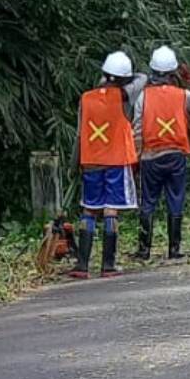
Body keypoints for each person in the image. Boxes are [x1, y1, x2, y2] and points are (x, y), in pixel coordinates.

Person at [69, 51, 147, 280]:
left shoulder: (86, 97)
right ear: (125, 78)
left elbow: (78, 134)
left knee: (89, 209)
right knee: (111, 208)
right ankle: (108, 265)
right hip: (116, 160)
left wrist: (74, 165)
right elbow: (142, 78)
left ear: (103, 73)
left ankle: (82, 266)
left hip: (90, 159)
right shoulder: (124, 96)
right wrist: (122, 79)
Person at [131, 45, 190, 261]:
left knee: (148, 202)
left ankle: (144, 250)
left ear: (153, 71)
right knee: (175, 199)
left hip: (150, 156)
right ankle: (174, 249)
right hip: (176, 154)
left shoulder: (143, 97)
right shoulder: (182, 95)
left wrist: (136, 157)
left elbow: (137, 129)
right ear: (173, 72)